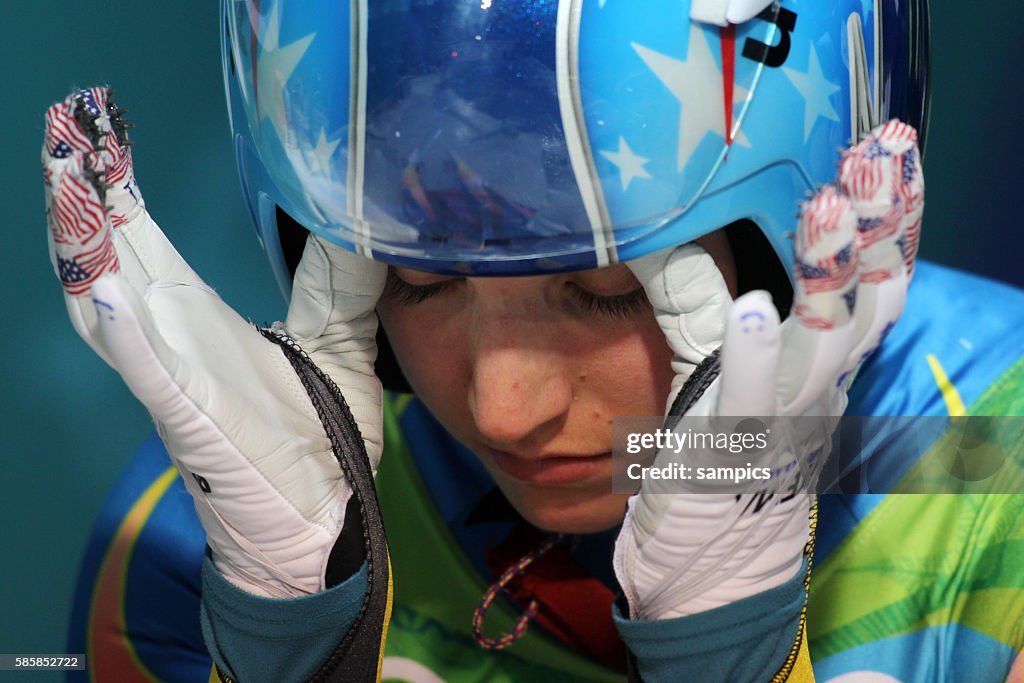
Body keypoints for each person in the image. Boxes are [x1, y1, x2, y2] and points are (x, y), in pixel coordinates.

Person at [49, 1, 1024, 681]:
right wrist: (285, 637)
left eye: (603, 291)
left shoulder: (998, 464)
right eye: (418, 280)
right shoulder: (207, 532)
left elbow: (955, 466)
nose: (499, 406)